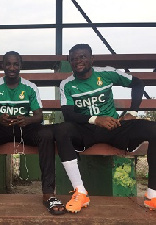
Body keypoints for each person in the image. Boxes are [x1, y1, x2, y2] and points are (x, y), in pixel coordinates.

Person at [53, 43, 156, 213]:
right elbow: (69, 115)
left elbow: (138, 83)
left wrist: (133, 111)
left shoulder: (107, 73)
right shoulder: (67, 84)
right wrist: (95, 119)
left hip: (114, 127)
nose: (78, 61)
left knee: (153, 130)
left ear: (92, 59)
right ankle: (80, 191)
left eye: (82, 57)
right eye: (73, 59)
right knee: (62, 130)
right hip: (86, 129)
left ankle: (152, 195)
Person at [0, 51, 66, 215]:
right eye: (8, 64)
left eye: (15, 64)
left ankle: (48, 193)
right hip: (1, 128)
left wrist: (28, 120)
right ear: (2, 66)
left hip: (25, 128)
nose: (12, 67)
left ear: (20, 66)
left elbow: (38, 115)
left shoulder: (30, 87)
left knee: (46, 135)